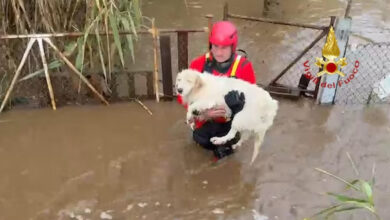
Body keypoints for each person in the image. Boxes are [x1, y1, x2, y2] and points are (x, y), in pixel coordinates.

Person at [177, 21, 257, 161]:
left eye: (224, 48)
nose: (219, 52)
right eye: (215, 46)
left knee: (224, 154)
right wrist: (202, 113)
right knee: (199, 143)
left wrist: (239, 107)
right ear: (210, 45)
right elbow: (182, 96)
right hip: (203, 123)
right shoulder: (198, 64)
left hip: (230, 124)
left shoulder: (244, 67)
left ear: (233, 47)